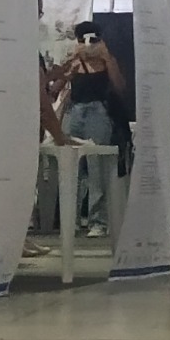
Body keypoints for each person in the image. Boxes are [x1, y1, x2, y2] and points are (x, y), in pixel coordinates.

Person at [55, 21, 126, 236]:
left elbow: (120, 87)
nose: (88, 44)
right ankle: (71, 218)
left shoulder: (107, 60)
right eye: (83, 39)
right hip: (75, 111)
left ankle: (98, 221)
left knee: (97, 167)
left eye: (93, 39)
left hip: (99, 112)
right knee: (71, 166)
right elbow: (56, 88)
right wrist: (70, 64)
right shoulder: (75, 61)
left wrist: (106, 58)